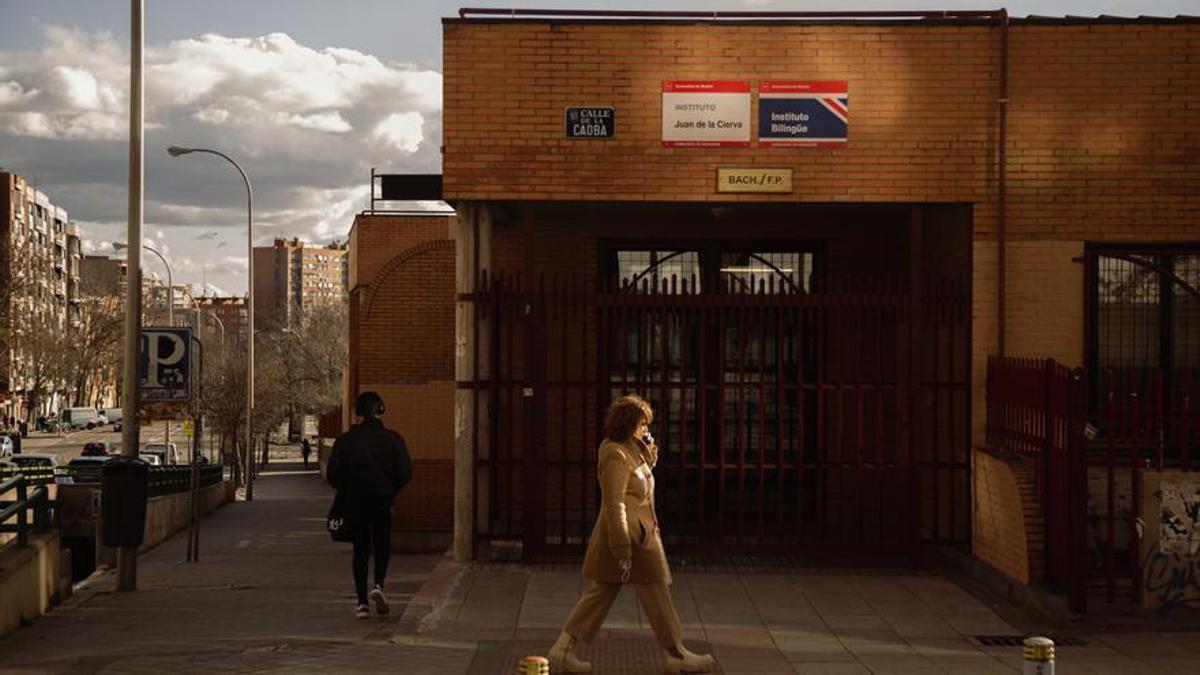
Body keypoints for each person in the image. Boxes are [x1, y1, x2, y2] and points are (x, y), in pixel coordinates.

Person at [548, 394, 715, 673]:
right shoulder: (615, 454)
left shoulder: (630, 449)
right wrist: (622, 545)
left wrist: (649, 454)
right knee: (652, 591)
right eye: (642, 424)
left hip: (638, 535)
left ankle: (563, 648)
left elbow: (640, 481)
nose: (645, 429)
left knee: (604, 594)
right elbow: (615, 503)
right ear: (628, 424)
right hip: (629, 538)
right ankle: (677, 654)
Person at [326, 391, 412, 620]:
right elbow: (405, 472)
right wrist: (391, 490)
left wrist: (346, 490)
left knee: (360, 549)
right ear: (380, 410)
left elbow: (333, 474)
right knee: (382, 545)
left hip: (355, 501)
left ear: (358, 413)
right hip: (382, 500)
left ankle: (362, 603)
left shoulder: (345, 441)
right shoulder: (393, 439)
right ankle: (379, 585)